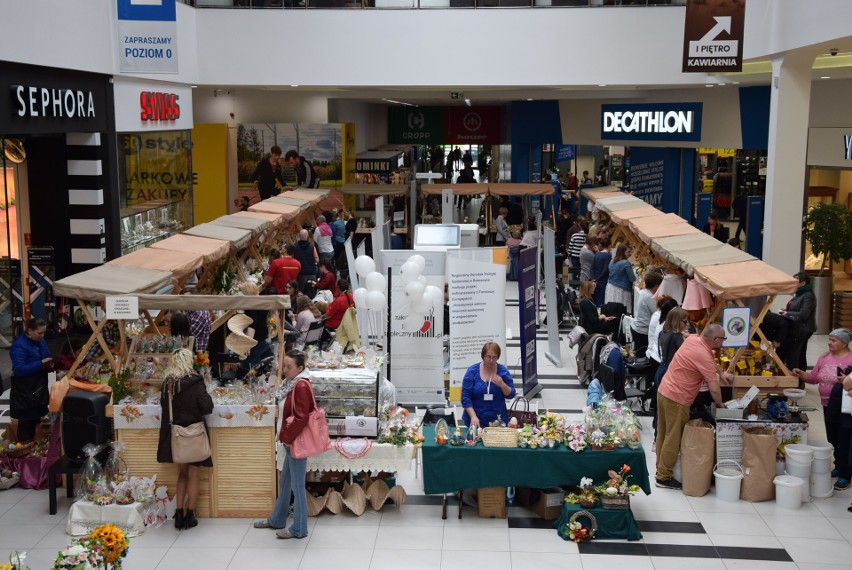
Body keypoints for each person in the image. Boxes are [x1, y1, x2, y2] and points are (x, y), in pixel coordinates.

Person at [656, 324, 733, 490]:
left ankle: (660, 469)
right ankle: (663, 477)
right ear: (715, 340)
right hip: (678, 398)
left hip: (663, 391)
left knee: (663, 433)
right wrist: (720, 405)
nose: (724, 342)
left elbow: (710, 363)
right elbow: (714, 388)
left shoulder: (693, 339)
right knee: (673, 438)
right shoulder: (704, 355)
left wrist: (722, 373)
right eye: (723, 339)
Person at [253, 350, 313, 539]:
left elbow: (301, 418)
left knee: (297, 485)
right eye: (284, 366)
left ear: (300, 368)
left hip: (295, 441)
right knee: (286, 481)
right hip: (290, 440)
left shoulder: (301, 386)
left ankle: (299, 529)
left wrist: (286, 436)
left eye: (289, 367)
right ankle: (277, 519)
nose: (284, 370)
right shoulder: (291, 384)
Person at [157, 348, 214, 530]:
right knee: (194, 473)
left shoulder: (168, 384)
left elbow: (165, 408)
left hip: (176, 436)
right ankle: (190, 514)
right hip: (194, 433)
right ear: (188, 362)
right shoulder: (196, 382)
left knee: (181, 473)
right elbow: (207, 407)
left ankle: (178, 515)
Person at [793, 328, 852, 489]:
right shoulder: (824, 357)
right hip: (827, 405)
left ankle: (846, 473)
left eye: (834, 340)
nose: (829, 342)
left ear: (844, 343)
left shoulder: (850, 360)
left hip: (845, 408)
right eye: (830, 339)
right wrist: (801, 374)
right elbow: (813, 378)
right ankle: (839, 466)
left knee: (844, 438)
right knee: (832, 437)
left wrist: (845, 381)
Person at [10, 317, 54, 442]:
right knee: (26, 424)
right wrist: (40, 363)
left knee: (37, 419)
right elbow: (19, 370)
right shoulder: (19, 346)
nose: (42, 335)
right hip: (25, 391)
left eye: (44, 332)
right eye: (40, 333)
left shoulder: (39, 340)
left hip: (38, 387)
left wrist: (50, 362)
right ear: (30, 331)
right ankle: (24, 451)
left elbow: (46, 354)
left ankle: (36, 448)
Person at [461, 342, 516, 428]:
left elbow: (511, 394)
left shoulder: (503, 372)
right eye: (488, 357)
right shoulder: (472, 371)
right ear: (483, 356)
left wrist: (502, 384)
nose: (491, 360)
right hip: (476, 420)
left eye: (494, 357)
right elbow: (465, 397)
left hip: (498, 420)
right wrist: (473, 416)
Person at [781, 271, 817, 371]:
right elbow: (798, 309)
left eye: (795, 281)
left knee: (798, 354)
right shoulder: (800, 293)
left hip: (804, 328)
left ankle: (800, 378)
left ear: (803, 283)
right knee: (799, 352)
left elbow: (804, 314)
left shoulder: (808, 295)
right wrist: (787, 310)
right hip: (797, 326)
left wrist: (787, 314)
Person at [236, 282, 273, 377]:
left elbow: (252, 326)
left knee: (246, 370)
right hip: (265, 339)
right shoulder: (262, 302)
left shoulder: (251, 305)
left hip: (256, 341)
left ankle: (242, 385)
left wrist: (247, 344)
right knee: (262, 366)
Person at [631, 271, 663, 351]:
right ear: (656, 286)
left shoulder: (645, 292)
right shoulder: (649, 297)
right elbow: (659, 312)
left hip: (638, 329)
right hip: (642, 332)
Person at [605, 244, 636, 309]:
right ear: (622, 252)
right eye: (627, 252)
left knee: (612, 309)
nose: (629, 254)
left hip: (610, 287)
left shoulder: (612, 261)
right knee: (621, 310)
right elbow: (632, 278)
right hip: (621, 290)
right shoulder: (625, 263)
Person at [293, 229, 319, 295]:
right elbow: (317, 260)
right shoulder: (312, 246)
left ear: (299, 236)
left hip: (300, 273)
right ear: (307, 236)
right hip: (311, 273)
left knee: (300, 293)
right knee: (311, 293)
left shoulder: (295, 246)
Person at [590, 236, 612, 308]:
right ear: (609, 245)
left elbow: (592, 267)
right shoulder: (608, 255)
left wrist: (594, 278)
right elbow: (605, 270)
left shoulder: (597, 254)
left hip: (595, 280)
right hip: (602, 280)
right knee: (602, 300)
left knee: (596, 299)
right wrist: (598, 278)